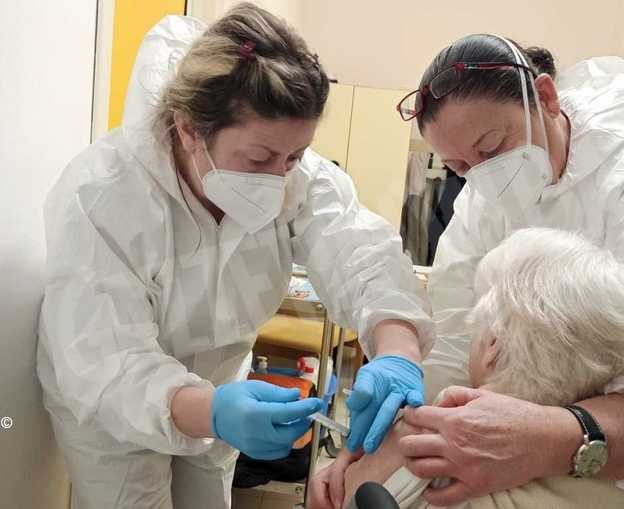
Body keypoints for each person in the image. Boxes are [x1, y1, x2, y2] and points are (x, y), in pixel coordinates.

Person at [36, 4, 435, 509]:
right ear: (187, 129)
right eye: (258, 158)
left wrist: (396, 349)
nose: (279, 176)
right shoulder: (102, 197)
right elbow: (103, 360)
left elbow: (359, 251)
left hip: (221, 382)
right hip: (114, 406)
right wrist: (212, 411)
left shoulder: (298, 175)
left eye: (294, 155)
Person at [312, 35, 624, 508]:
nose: (481, 175)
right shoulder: (482, 204)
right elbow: (451, 341)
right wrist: (380, 442)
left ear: (545, 98)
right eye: (459, 166)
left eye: (491, 146)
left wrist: (552, 437)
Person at [310, 227, 624, 508]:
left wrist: (355, 461)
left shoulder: (424, 433)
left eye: (476, 335)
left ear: (493, 347)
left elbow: (335, 495)